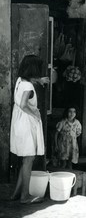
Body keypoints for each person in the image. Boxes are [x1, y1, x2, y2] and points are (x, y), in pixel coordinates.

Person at [10, 55, 49, 204]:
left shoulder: (20, 81)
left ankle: (16, 194)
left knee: (26, 158)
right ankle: (25, 197)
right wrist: (36, 114)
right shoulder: (28, 86)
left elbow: (25, 92)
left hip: (19, 123)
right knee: (28, 160)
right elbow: (23, 104)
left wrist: (39, 80)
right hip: (27, 124)